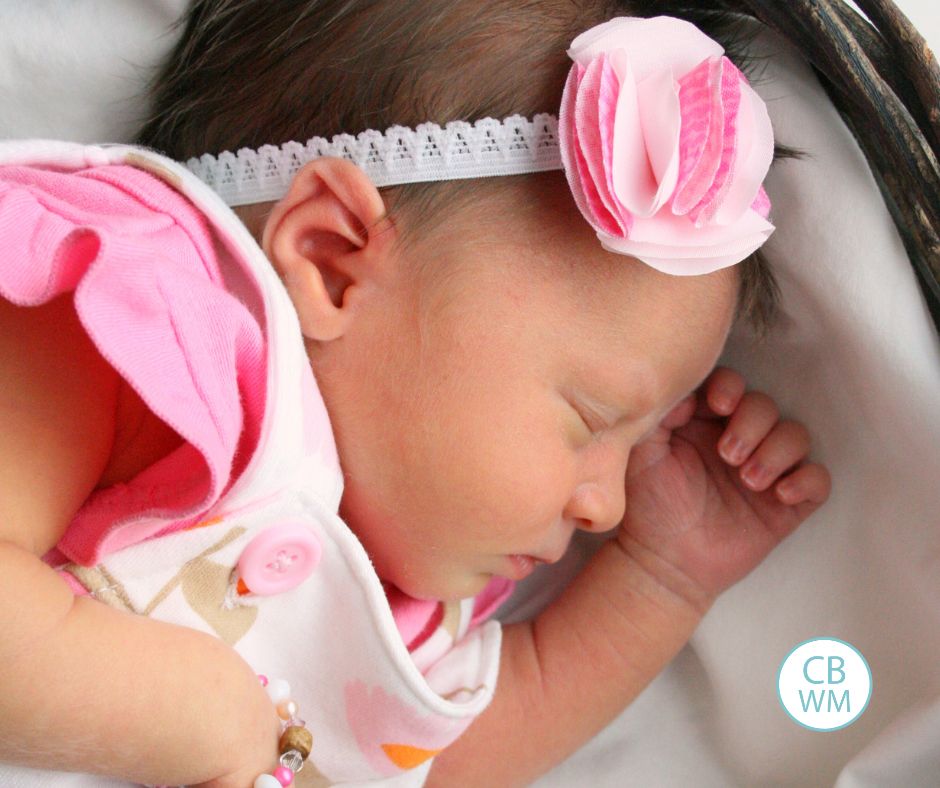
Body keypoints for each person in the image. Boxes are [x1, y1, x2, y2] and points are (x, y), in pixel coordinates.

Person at [0, 2, 830, 786]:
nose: (605, 509)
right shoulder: (141, 323)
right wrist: (196, 715)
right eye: (592, 422)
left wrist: (663, 579)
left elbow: (444, 762)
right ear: (333, 260)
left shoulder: (392, 605)